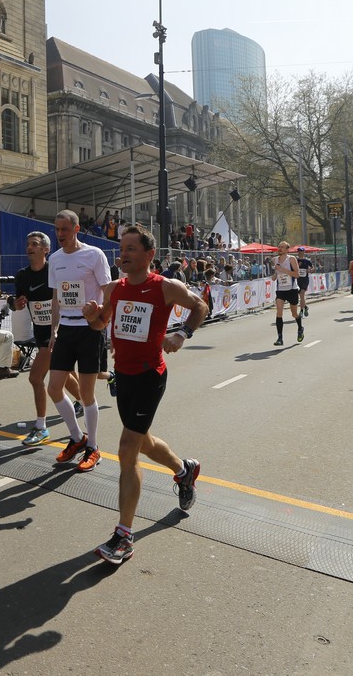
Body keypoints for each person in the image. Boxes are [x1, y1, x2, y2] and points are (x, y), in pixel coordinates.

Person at [81, 224, 208, 566]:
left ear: (149, 254)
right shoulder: (114, 288)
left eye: (131, 249)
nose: (122, 254)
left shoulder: (166, 286)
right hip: (123, 376)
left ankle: (123, 536)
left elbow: (200, 306)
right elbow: (101, 323)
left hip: (150, 376)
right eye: (121, 248)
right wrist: (93, 318)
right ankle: (183, 469)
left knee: (127, 449)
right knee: (143, 442)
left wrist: (182, 333)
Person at [47, 209, 114, 473]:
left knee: (86, 394)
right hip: (65, 329)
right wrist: (53, 330)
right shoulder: (55, 259)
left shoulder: (94, 254)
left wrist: (103, 319)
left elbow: (108, 291)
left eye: (64, 229)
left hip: (89, 330)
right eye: (57, 229)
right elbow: (56, 299)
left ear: (76, 229)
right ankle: (77, 437)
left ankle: (93, 446)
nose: (60, 234)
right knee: (54, 388)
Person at [13, 232, 82, 445]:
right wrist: (17, 304)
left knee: (35, 378)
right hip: (40, 332)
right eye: (28, 244)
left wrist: (59, 327)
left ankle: (41, 427)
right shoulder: (22, 275)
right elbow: (16, 303)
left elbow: (68, 297)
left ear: (45, 250)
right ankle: (86, 401)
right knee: (63, 375)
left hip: (58, 332)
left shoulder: (54, 271)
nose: (29, 247)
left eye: (34, 244)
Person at [270, 241, 303, 345]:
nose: (279, 249)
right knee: (279, 312)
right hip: (280, 290)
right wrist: (275, 275)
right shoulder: (275, 260)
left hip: (292, 289)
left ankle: (300, 328)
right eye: (279, 247)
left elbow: (297, 275)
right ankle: (280, 338)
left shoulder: (291, 259)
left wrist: (282, 269)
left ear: (287, 249)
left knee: (294, 314)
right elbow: (277, 272)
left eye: (282, 247)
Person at [295, 248, 314, 318]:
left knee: (302, 294)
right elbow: (292, 268)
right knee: (300, 296)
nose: (300, 252)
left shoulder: (307, 261)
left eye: (301, 251)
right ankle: (305, 307)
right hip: (297, 280)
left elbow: (313, 268)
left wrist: (310, 270)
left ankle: (301, 311)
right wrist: (297, 266)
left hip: (305, 280)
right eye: (299, 251)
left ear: (304, 252)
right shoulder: (295, 260)